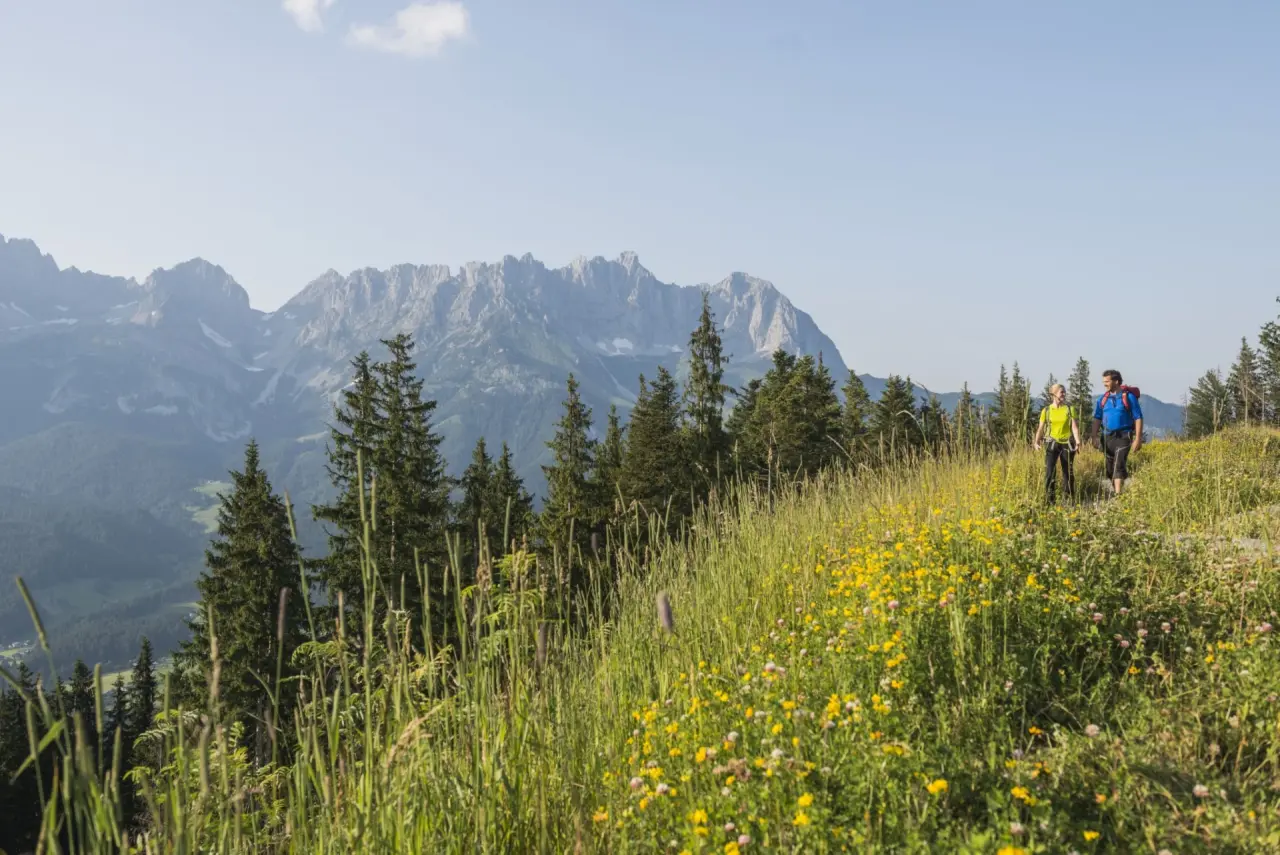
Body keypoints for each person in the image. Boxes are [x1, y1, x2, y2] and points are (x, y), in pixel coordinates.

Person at [1092, 368, 1143, 496]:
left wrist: (1138, 438)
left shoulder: (1129, 397)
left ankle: (1118, 496)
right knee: (1109, 469)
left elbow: (1138, 417)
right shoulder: (1102, 399)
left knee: (1119, 463)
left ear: (1116, 381)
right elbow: (1097, 418)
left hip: (1124, 436)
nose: (1104, 384)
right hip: (1107, 436)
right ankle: (1117, 488)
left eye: (1107, 381)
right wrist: (1094, 436)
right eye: (1103, 381)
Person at [1034, 383, 1081, 503]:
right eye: (1061, 392)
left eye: (1065, 391)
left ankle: (1069, 499)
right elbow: (1040, 428)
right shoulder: (1047, 410)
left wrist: (1078, 441)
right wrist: (1036, 441)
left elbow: (1074, 427)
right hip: (1051, 443)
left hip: (1067, 443)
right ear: (1053, 394)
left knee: (1068, 472)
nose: (1064, 394)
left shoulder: (1070, 409)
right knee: (1050, 471)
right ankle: (1050, 500)